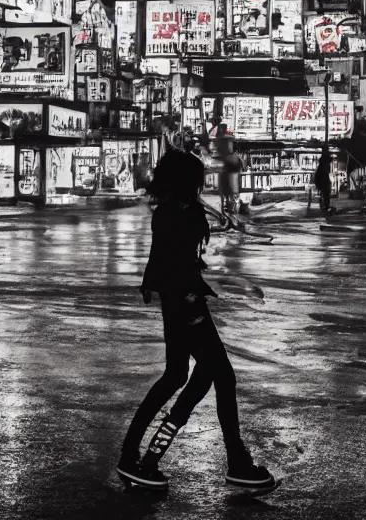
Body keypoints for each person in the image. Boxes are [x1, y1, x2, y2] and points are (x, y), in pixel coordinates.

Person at [117, 149, 274, 491]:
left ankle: (137, 456)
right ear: (188, 181)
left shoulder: (171, 210)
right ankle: (235, 462)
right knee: (218, 376)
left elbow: (164, 257)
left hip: (180, 301)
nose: (201, 184)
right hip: (187, 304)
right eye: (197, 178)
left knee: (182, 376)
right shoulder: (182, 211)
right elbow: (176, 259)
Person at [314, 146, 332, 215]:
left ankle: (325, 207)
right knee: (326, 195)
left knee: (325, 196)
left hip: (324, 184)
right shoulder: (323, 168)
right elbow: (319, 178)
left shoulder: (322, 167)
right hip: (324, 184)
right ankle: (325, 207)